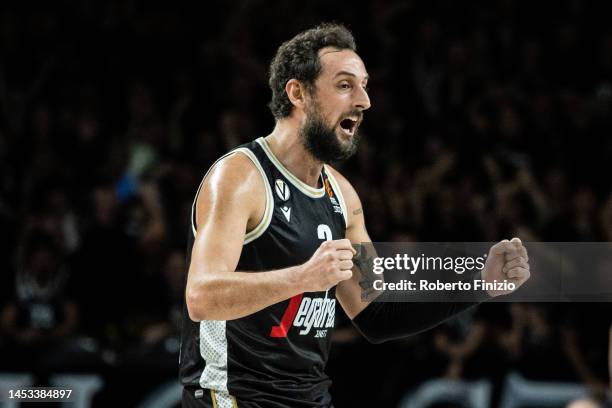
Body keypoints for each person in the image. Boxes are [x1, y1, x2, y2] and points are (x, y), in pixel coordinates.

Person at [179, 23, 530, 408]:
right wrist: (303, 277)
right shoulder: (241, 176)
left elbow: (377, 314)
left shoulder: (342, 195)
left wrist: (476, 282)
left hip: (311, 399)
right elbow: (201, 296)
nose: (364, 101)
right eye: (345, 85)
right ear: (298, 93)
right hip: (232, 399)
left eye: (364, 85)